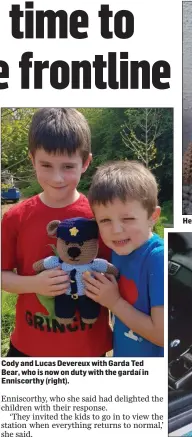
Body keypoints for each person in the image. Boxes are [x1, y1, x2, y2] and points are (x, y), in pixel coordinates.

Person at [1, 108, 111, 357]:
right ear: (32, 160)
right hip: (28, 349)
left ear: (86, 163)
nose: (57, 177)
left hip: (86, 351)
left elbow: (116, 272)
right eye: (46, 165)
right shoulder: (14, 218)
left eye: (68, 166)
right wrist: (34, 283)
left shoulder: (101, 215)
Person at [84, 161, 164, 357]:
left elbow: (162, 334)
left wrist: (114, 302)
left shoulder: (158, 259)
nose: (117, 230)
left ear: (153, 216)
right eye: (105, 220)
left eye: (127, 219)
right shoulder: (117, 250)